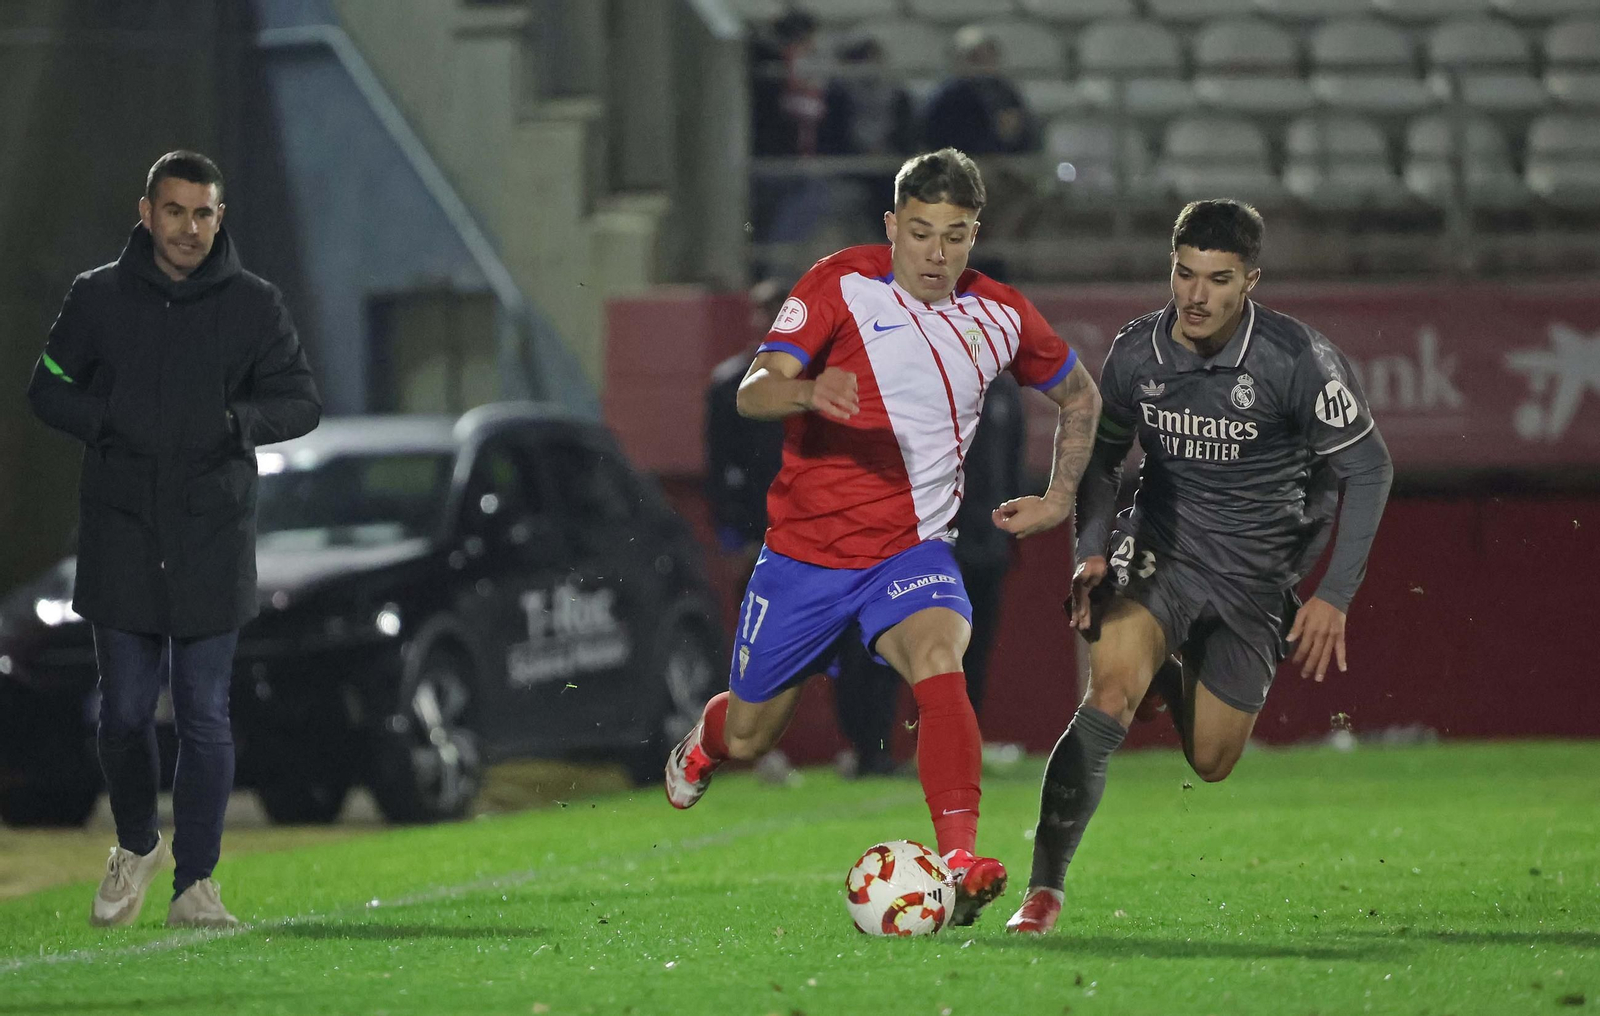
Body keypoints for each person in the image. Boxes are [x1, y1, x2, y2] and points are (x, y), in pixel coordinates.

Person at [664, 148, 1102, 928]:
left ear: (976, 235)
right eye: (923, 232)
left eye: (957, 235)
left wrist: (1060, 495)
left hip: (910, 553)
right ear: (893, 226)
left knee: (940, 661)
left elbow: (1079, 393)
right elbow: (753, 391)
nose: (938, 254)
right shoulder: (839, 282)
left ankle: (960, 857)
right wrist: (807, 386)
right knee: (755, 730)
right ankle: (707, 738)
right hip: (804, 558)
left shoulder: (1000, 314)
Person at [1005, 200, 1393, 935]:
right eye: (1184, 274)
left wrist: (1333, 595)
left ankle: (1169, 673)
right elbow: (1105, 458)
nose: (1196, 295)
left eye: (1218, 279)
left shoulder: (1298, 359)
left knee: (1212, 760)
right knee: (1110, 690)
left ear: (1251, 280)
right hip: (1163, 551)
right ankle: (1044, 893)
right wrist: (1090, 548)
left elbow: (1369, 470)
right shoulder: (1137, 353)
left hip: (1256, 576)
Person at [26, 151, 321, 929]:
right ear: (146, 212)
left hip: (212, 535)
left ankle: (197, 884)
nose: (189, 228)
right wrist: (105, 423)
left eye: (203, 213)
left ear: (219, 218)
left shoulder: (254, 305)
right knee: (121, 715)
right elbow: (47, 386)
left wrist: (239, 423)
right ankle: (135, 844)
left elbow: (301, 400)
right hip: (122, 531)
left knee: (203, 713)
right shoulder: (98, 298)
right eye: (175, 211)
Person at [833, 372, 1025, 776]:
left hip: (984, 543)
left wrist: (1009, 536)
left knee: (971, 650)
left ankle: (953, 751)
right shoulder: (914, 373)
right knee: (893, 647)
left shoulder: (1003, 389)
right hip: (920, 541)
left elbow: (1010, 463)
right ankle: (875, 751)